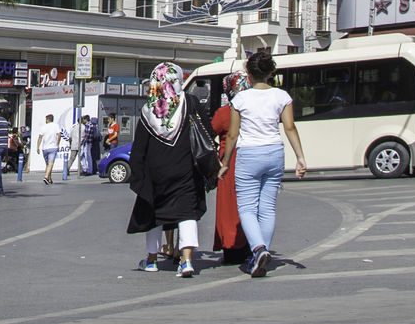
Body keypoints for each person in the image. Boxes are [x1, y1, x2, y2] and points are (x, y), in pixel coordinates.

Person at [124, 64, 216, 279]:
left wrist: (138, 175)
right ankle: (186, 261)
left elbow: (140, 146)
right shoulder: (190, 103)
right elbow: (208, 131)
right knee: (186, 212)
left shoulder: (148, 110)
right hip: (185, 169)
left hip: (156, 172)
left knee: (154, 214)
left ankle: (152, 260)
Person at [223, 50, 306, 277]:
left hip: (249, 153)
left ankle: (258, 250)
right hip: (274, 152)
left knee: (247, 208)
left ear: (248, 74)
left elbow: (232, 135)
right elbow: (289, 127)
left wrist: (225, 162)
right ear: (270, 73)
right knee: (267, 207)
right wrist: (300, 157)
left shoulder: (240, 99)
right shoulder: (282, 96)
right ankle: (261, 255)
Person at [211, 72, 253, 269]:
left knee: (229, 208)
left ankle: (232, 248)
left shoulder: (225, 112)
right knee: (251, 204)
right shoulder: (254, 110)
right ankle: (252, 246)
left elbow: (210, 131)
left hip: (230, 163)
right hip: (252, 159)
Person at [36, 114, 63, 185]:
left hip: (45, 148)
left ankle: (49, 179)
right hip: (53, 147)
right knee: (50, 163)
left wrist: (38, 147)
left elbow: (40, 137)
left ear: (48, 120)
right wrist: (57, 143)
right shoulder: (56, 126)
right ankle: (47, 177)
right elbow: (59, 134)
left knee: (48, 164)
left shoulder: (43, 127)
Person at [81, 113, 100, 178]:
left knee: (88, 157)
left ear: (85, 119)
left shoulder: (88, 125)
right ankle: (89, 169)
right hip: (90, 142)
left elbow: (87, 135)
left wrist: (82, 142)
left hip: (88, 143)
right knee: (87, 156)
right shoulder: (92, 125)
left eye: (83, 119)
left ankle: (89, 170)